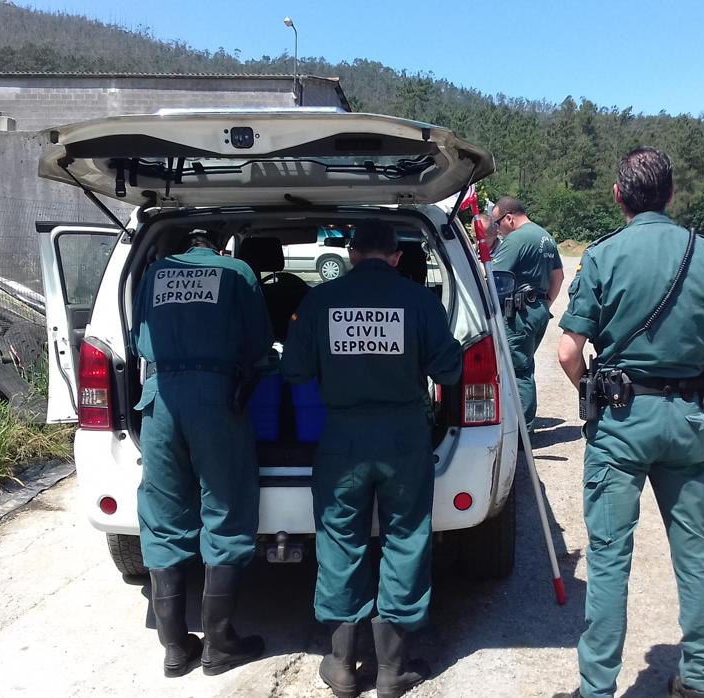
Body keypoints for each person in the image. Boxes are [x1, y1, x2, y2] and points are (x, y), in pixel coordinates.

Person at [555, 148, 704, 698]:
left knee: (611, 557)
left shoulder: (603, 256)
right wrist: (693, 382)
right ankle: (698, 678)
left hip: (619, 422)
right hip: (686, 420)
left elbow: (569, 352)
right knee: (693, 550)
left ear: (618, 196)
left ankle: (597, 689)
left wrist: (593, 391)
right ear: (672, 195)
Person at [281, 220, 462, 698]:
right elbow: (449, 368)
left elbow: (294, 371)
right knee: (405, 538)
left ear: (352, 254)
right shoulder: (420, 301)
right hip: (404, 437)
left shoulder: (319, 301)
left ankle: (341, 667)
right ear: (396, 257)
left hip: (342, 438)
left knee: (341, 542)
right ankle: (392, 671)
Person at [131, 231, 273, 678]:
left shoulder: (153, 273)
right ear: (219, 243)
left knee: (162, 515)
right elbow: (259, 346)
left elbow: (137, 340)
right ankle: (219, 643)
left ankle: (175, 648)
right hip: (214, 401)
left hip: (158, 401)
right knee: (226, 509)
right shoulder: (237, 272)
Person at [490, 196, 563, 432]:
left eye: (497, 223)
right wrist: (544, 304)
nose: (496, 229)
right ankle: (523, 425)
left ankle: (522, 431)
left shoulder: (516, 239)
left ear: (509, 218)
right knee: (525, 366)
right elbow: (558, 277)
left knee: (518, 371)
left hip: (519, 314)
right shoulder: (546, 237)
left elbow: (492, 277)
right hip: (537, 310)